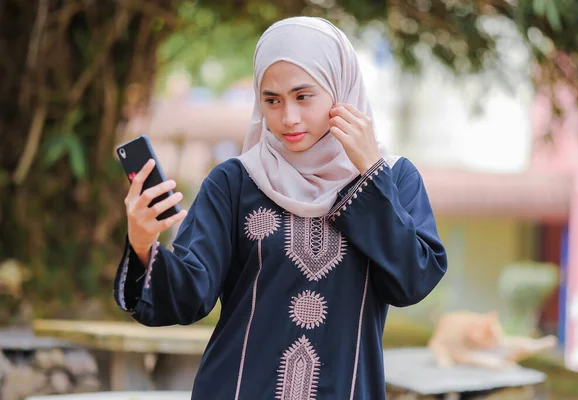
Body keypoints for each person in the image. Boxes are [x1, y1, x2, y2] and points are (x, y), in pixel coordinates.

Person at [114, 16, 447, 400]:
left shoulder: (394, 180)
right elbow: (191, 296)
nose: (288, 118)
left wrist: (370, 175)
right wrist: (142, 243)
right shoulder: (235, 182)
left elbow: (413, 281)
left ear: (340, 89)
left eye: (304, 96)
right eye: (272, 100)